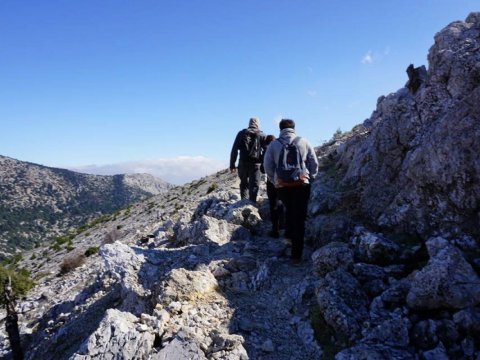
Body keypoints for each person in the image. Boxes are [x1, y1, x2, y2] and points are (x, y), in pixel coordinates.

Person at [263, 119, 318, 263]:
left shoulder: (274, 144)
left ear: (280, 129)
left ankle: (288, 237)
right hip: (301, 185)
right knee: (299, 218)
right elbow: (314, 162)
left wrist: (275, 180)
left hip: (282, 187)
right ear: (294, 128)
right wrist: (310, 178)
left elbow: (267, 165)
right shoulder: (304, 141)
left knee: (289, 209)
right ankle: (296, 255)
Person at [230, 117, 265, 203]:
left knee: (244, 184)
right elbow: (266, 150)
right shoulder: (262, 135)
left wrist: (232, 165)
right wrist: (264, 164)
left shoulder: (241, 133)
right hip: (256, 165)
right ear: (258, 124)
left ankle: (243, 202)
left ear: (249, 123)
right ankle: (251, 204)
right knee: (254, 186)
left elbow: (234, 149)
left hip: (242, 163)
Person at [262, 135, 283, 238]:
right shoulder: (281, 147)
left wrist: (271, 178)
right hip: (284, 179)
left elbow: (263, 168)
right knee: (282, 202)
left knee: (273, 204)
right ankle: (283, 224)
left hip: (272, 181)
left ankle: (275, 230)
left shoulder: (267, 150)